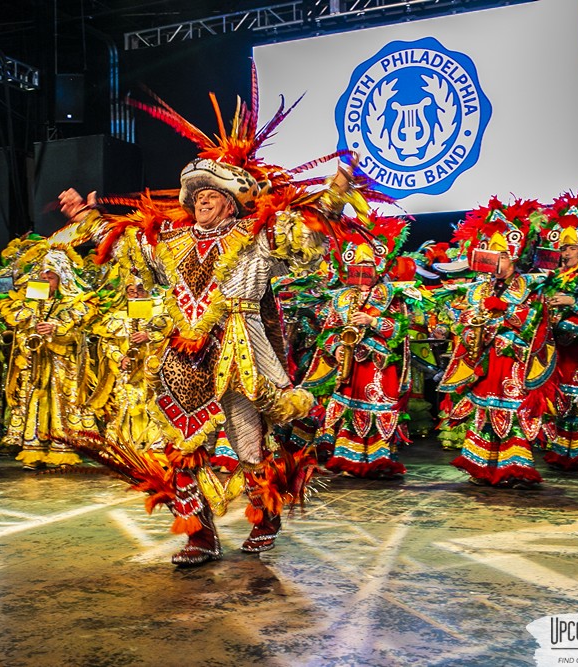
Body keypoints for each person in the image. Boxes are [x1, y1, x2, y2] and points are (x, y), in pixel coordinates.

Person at [55, 89, 364, 566]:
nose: (202, 200)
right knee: (179, 447)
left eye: (213, 194)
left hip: (239, 350)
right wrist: (85, 216)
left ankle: (265, 517)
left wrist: (338, 189)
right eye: (197, 194)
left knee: (248, 441)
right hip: (182, 357)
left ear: (231, 202)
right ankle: (198, 533)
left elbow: (310, 231)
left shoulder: (259, 234)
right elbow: (121, 244)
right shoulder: (171, 240)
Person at [439, 198, 556, 488]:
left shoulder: (530, 285)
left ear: (513, 256)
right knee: (484, 410)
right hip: (483, 360)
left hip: (513, 360)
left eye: (502, 255)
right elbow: (462, 319)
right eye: (492, 254)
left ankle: (514, 468)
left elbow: (536, 322)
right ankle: (482, 467)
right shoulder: (478, 288)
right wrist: (469, 324)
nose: (496, 261)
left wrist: (504, 310)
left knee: (512, 410)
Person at [314, 219, 412, 479]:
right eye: (358, 265)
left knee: (378, 408)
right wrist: (335, 348)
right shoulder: (342, 297)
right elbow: (328, 331)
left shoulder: (390, 294)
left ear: (378, 266)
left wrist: (374, 321)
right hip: (350, 365)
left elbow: (402, 329)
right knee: (349, 409)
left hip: (380, 364)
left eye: (368, 265)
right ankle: (348, 459)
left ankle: (379, 460)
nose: (363, 270)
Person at [0, 248, 100, 469]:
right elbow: (17, 330)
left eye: (50, 276)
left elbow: (78, 335)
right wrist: (31, 330)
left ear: (61, 278)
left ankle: (62, 449)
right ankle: (34, 449)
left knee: (62, 404)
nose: (46, 280)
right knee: (35, 401)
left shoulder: (75, 304)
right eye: (42, 276)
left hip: (63, 366)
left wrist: (56, 329)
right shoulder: (28, 302)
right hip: (35, 363)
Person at [538, 191, 578, 470]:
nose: (566, 253)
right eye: (563, 249)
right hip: (557, 347)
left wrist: (573, 301)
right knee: (559, 398)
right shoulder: (551, 277)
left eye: (572, 248)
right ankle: (561, 449)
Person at [88, 276, 172, 454]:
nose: (136, 295)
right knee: (128, 406)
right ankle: (127, 449)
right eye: (131, 291)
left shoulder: (163, 312)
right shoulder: (117, 316)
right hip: (128, 374)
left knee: (156, 407)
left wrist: (150, 336)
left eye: (140, 290)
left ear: (149, 289)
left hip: (156, 374)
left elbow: (173, 337)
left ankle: (156, 449)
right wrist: (120, 358)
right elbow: (106, 343)